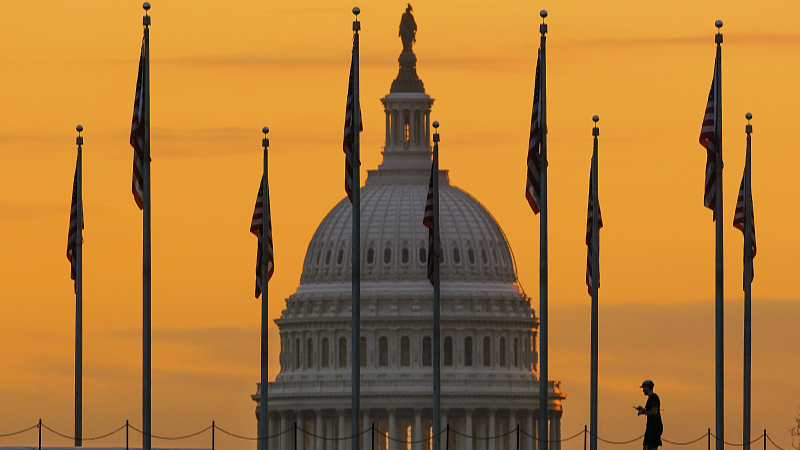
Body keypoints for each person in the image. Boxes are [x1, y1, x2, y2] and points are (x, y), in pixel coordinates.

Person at [635, 379, 663, 450]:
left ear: (647, 387)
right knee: (646, 447)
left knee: (651, 447)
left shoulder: (654, 397)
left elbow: (654, 412)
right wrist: (643, 410)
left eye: (643, 388)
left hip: (654, 427)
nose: (643, 390)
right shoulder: (651, 398)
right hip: (650, 427)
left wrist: (643, 412)